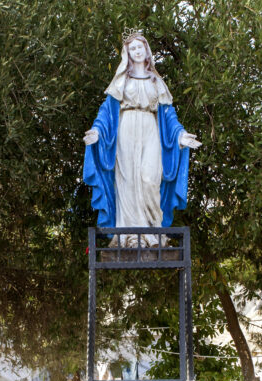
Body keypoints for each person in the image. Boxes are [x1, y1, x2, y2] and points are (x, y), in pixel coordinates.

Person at [83, 30, 201, 247]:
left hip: (150, 129)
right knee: (127, 182)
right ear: (127, 54)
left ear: (147, 51)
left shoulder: (157, 81)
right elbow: (107, 112)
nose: (137, 51)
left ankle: (153, 232)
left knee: (149, 179)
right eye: (132, 48)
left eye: (140, 47)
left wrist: (181, 135)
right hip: (126, 130)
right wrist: (97, 132)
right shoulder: (121, 81)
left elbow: (169, 116)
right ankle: (129, 236)